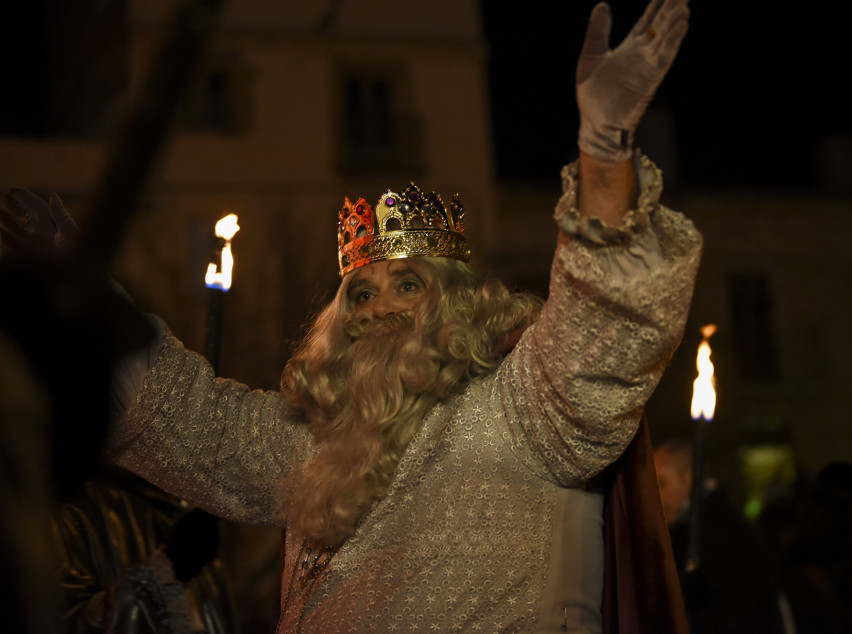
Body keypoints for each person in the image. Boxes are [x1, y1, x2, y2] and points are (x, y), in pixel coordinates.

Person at [1, 0, 701, 630]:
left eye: (407, 286)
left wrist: (604, 155)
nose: (377, 308)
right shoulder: (319, 448)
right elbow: (194, 421)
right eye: (360, 294)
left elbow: (602, 329)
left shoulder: (520, 410)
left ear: (460, 306)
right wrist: (86, 288)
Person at [654, 438, 784, 634]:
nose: (658, 497)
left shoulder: (722, 536)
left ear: (690, 480)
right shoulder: (695, 530)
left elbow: (735, 616)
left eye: (662, 483)